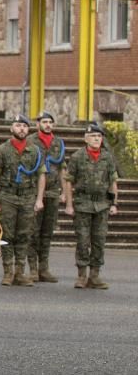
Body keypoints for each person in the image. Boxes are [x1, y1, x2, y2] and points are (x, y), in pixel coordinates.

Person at [0, 114, 46, 287]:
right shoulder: (2, 150)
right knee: (6, 234)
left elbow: (41, 175)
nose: (22, 129)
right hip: (8, 196)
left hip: (28, 197)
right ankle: (8, 272)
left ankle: (20, 272)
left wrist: (39, 199)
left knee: (24, 235)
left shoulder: (35, 150)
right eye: (18, 125)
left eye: (25, 126)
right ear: (11, 128)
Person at [64, 123, 118, 290]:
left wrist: (114, 203)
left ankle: (94, 275)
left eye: (99, 136)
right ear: (86, 139)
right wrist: (69, 204)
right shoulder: (77, 157)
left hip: (102, 204)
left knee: (99, 240)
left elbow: (113, 182)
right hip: (83, 204)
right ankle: (82, 275)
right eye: (93, 136)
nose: (97, 139)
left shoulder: (107, 157)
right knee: (82, 240)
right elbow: (68, 181)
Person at [25, 111, 65, 283]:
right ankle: (33, 269)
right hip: (34, 193)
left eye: (50, 122)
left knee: (47, 232)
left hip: (53, 192)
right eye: (44, 122)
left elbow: (62, 167)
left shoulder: (58, 143)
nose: (48, 125)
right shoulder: (30, 142)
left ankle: (44, 268)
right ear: (38, 124)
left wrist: (63, 191)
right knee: (33, 231)